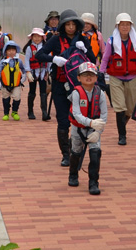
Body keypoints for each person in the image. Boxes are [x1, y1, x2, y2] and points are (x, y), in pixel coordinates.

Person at [35, 9, 95, 166]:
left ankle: (75, 149)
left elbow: (93, 60)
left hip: (79, 87)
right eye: (67, 24)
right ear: (62, 26)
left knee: (78, 119)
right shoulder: (55, 40)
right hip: (60, 85)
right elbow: (39, 55)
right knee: (63, 121)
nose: (70, 27)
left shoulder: (82, 39)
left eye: (73, 24)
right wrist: (54, 59)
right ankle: (65, 154)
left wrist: (85, 49)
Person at [100, 12, 136, 146]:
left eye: (127, 24)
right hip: (116, 78)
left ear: (130, 26)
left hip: (132, 78)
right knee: (119, 107)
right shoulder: (112, 41)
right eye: (122, 24)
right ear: (118, 26)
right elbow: (105, 58)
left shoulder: (135, 40)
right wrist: (100, 72)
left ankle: (122, 124)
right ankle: (122, 135)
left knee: (130, 108)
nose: (125, 27)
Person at [68, 62, 108, 195]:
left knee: (95, 154)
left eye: (92, 75)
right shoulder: (76, 93)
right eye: (85, 75)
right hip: (78, 128)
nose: (89, 77)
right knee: (76, 152)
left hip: (94, 129)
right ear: (79, 78)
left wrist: (98, 131)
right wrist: (91, 123)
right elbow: (77, 114)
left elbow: (104, 115)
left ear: (96, 78)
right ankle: (73, 174)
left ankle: (93, 182)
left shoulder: (100, 93)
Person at [0, 40, 30, 121]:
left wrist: (24, 75)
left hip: (16, 84)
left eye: (13, 50)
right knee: (5, 99)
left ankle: (14, 112)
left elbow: (23, 69)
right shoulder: (3, 62)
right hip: (5, 85)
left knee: (17, 98)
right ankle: (6, 113)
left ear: (16, 51)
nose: (11, 52)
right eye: (9, 50)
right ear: (5, 52)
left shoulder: (19, 61)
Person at [23, 28, 49, 120]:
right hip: (33, 73)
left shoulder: (46, 47)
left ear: (42, 37)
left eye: (39, 36)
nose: (37, 38)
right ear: (32, 37)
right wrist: (28, 72)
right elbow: (26, 60)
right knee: (32, 92)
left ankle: (44, 113)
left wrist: (49, 72)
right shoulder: (29, 48)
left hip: (43, 73)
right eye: (35, 36)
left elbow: (49, 60)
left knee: (43, 93)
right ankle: (30, 111)